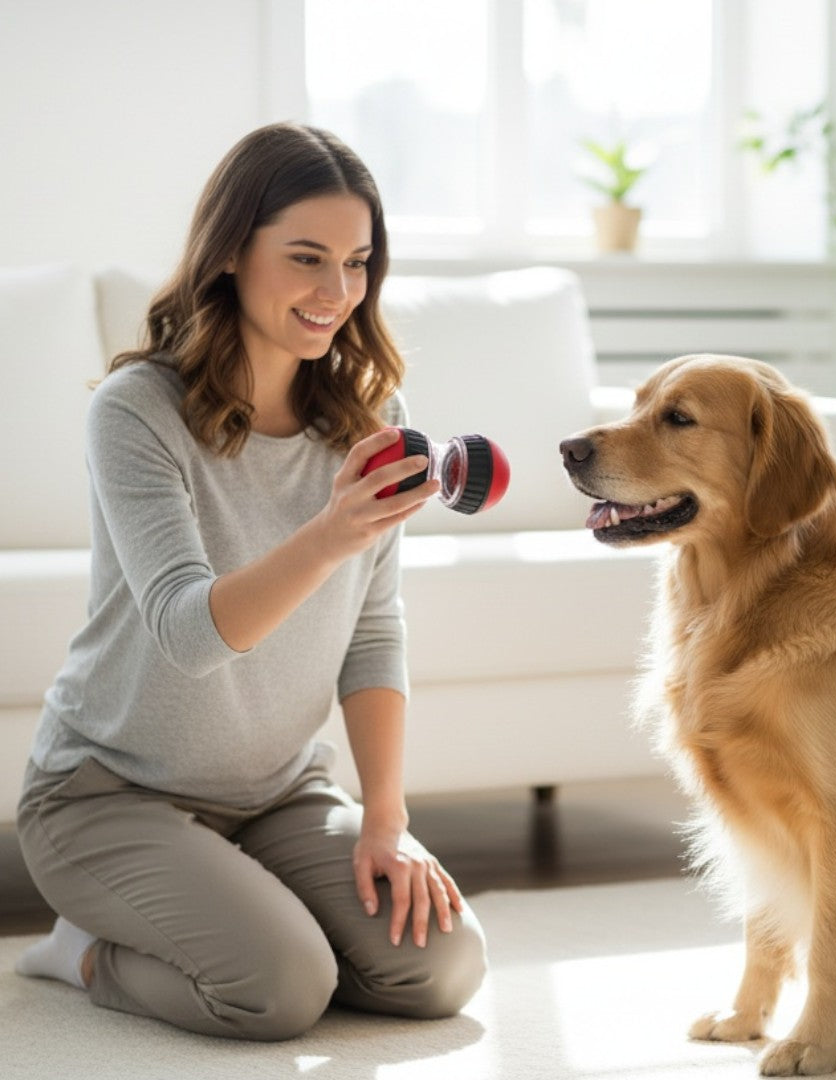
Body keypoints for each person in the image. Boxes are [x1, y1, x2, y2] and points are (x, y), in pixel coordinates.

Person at [14, 122, 487, 1040]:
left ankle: (235, 904)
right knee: (278, 990)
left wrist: (384, 819)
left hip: (277, 794)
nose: (335, 292)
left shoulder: (369, 416)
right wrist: (330, 532)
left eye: (357, 263)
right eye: (306, 258)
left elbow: (373, 630)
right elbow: (190, 634)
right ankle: (80, 949)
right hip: (106, 795)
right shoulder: (136, 413)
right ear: (231, 250)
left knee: (440, 968)